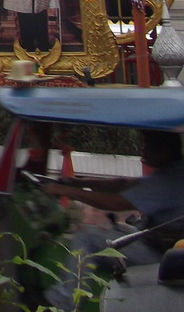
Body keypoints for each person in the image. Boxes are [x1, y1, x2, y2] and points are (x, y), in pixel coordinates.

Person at [42, 130, 184, 309]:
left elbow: (117, 203)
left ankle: (62, 303)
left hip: (162, 256)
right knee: (107, 230)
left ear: (165, 149)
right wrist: (78, 182)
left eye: (147, 144)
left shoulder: (170, 180)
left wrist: (67, 191)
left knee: (87, 237)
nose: (142, 148)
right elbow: (125, 184)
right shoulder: (174, 171)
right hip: (155, 241)